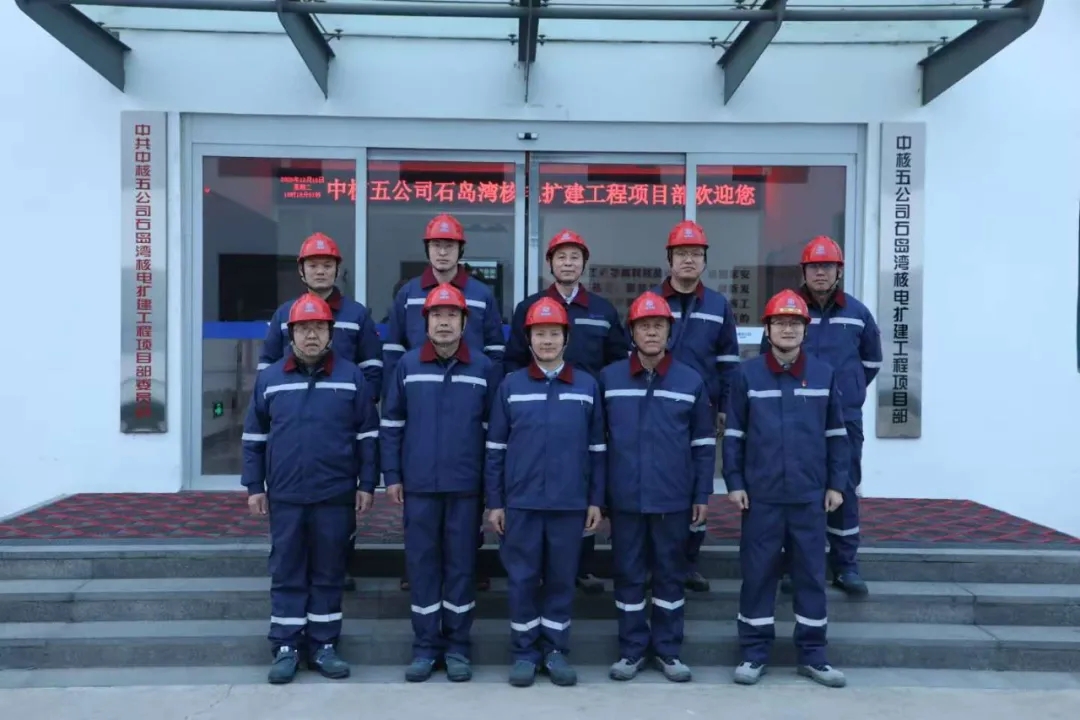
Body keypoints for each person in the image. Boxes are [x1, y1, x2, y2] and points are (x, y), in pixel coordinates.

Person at [241, 293, 379, 685]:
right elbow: (253, 437)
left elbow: (368, 436)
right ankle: (286, 646)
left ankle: (324, 645)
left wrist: (367, 483)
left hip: (335, 494)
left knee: (328, 572)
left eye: (319, 327)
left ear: (331, 333)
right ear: (291, 334)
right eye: (304, 328)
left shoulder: (350, 377)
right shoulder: (270, 379)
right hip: (285, 495)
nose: (312, 335)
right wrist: (254, 486)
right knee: (287, 570)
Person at [724, 289, 850, 688]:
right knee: (757, 575)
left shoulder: (824, 374)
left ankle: (813, 655)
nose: (788, 329)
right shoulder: (747, 375)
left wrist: (836, 484)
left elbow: (837, 434)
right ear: (768, 329)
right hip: (761, 497)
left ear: (805, 330)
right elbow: (734, 434)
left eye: (795, 323)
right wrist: (734, 482)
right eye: (780, 322)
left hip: (808, 497)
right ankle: (753, 654)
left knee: (810, 575)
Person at [380, 283, 500, 684]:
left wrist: (491, 488)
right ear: (425, 322)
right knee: (422, 567)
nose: (444, 323)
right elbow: (392, 425)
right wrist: (392, 476)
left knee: (462, 568)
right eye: (437, 315)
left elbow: (495, 436)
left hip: (466, 488)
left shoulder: (483, 368)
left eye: (452, 316)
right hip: (419, 488)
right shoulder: (407, 366)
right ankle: (426, 647)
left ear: (465, 323)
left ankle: (458, 647)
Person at [484, 297, 605, 688]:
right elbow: (495, 449)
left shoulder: (586, 386)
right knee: (522, 580)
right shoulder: (511, 386)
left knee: (561, 579)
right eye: (540, 334)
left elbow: (598, 450)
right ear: (529, 339)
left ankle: (555, 651)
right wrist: (495, 503)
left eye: (554, 333)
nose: (547, 341)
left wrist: (596, 500)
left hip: (569, 504)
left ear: (566, 338)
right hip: (521, 503)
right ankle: (524, 652)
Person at [383, 213, 505, 593]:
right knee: (421, 510)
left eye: (449, 245)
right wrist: (396, 390)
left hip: (470, 390)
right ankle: (418, 571)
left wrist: (492, 391)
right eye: (436, 245)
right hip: (421, 390)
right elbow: (393, 347)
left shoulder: (481, 294)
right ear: (427, 250)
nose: (442, 252)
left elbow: (496, 349)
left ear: (460, 250)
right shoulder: (408, 293)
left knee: (467, 502)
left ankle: (469, 567)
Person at [505, 229, 630, 596]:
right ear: (550, 263)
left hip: (586, 411)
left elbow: (617, 360)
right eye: (561, 257)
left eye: (575, 257)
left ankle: (582, 566)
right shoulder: (529, 308)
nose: (568, 263)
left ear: (584, 264)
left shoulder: (602, 311)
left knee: (583, 482)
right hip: (538, 410)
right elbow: (513, 359)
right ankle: (539, 567)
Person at [602, 291, 716, 683]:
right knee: (629, 575)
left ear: (670, 332)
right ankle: (632, 651)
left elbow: (703, 445)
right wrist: (600, 497)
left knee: (670, 575)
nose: (651, 332)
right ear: (631, 332)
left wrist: (701, 494)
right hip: (625, 498)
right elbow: (597, 444)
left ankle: (668, 650)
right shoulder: (610, 379)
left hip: (673, 498)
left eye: (659, 326)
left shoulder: (690, 380)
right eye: (644, 326)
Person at [767, 236, 882, 598]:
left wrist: (846, 392)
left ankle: (845, 566)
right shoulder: (789, 311)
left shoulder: (858, 314)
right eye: (814, 266)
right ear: (803, 271)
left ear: (839, 271)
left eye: (827, 266)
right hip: (797, 418)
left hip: (844, 418)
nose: (821, 272)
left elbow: (871, 362)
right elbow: (772, 359)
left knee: (843, 487)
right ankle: (794, 565)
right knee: (796, 489)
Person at [652, 220, 741, 592]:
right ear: (669, 259)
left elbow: (729, 361)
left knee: (697, 482)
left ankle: (689, 561)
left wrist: (724, 407)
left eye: (695, 254)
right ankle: (655, 561)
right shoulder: (652, 303)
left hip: (702, 409)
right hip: (657, 408)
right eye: (681, 253)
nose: (688, 260)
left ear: (705, 261)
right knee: (658, 479)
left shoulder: (718, 305)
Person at [258, 232, 383, 395]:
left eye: (327, 266)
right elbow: (267, 365)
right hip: (292, 404)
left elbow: (371, 368)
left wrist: (362, 403)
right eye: (313, 266)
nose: (320, 272)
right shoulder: (284, 314)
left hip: (342, 404)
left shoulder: (357, 315)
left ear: (337, 270)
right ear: (301, 269)